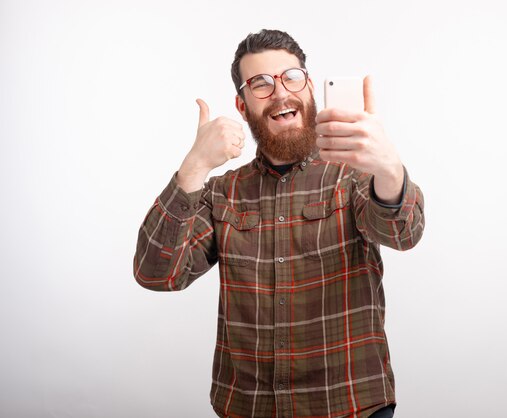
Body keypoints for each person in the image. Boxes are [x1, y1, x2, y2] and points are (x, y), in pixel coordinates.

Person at [133, 29, 425, 418]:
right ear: (242, 105)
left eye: (291, 77)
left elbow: (403, 233)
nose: (281, 93)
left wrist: (388, 168)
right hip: (249, 408)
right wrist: (193, 168)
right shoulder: (223, 192)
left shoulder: (353, 173)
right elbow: (156, 273)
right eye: (261, 84)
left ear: (309, 88)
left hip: (351, 406)